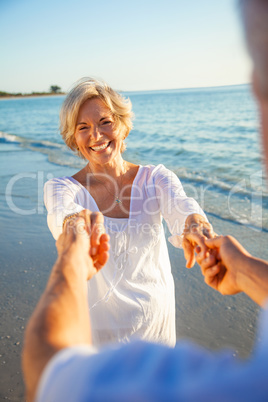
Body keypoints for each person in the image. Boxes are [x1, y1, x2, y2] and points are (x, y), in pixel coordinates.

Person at [44, 77, 214, 347]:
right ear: (74, 138)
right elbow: (63, 215)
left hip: (155, 323)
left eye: (105, 122)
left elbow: (181, 205)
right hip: (97, 330)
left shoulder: (156, 177)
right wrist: (76, 229)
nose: (96, 136)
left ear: (122, 126)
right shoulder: (61, 188)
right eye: (83, 127)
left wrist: (196, 226)